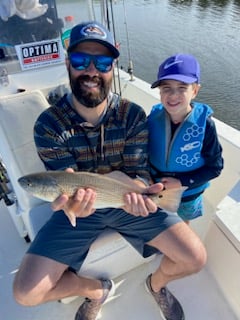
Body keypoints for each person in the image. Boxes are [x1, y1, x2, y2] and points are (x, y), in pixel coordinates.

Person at [13, 22, 206, 320]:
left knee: (195, 258)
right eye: (81, 60)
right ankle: (96, 290)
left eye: (102, 62)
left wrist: (142, 191)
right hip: (76, 210)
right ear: (68, 63)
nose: (91, 70)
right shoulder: (48, 125)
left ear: (112, 68)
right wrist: (71, 204)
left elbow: (138, 172)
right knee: (25, 293)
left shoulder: (132, 114)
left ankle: (155, 285)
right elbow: (65, 178)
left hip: (123, 199)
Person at [149, 53, 223, 223]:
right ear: (160, 91)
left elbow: (215, 167)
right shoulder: (152, 119)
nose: (173, 95)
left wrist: (182, 182)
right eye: (166, 88)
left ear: (195, 91)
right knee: (159, 223)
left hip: (189, 193)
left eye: (182, 87)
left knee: (183, 225)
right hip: (157, 189)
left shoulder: (207, 126)